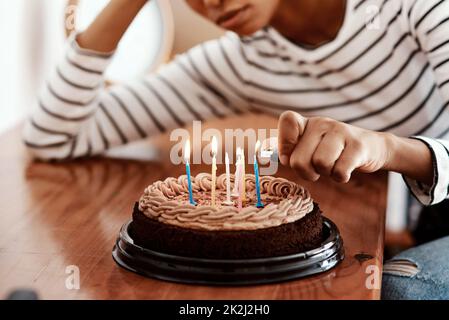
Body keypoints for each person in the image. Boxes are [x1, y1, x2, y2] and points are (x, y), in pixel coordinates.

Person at [23, 0, 449, 299]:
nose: (211, 2)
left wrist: (386, 148)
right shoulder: (238, 67)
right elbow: (53, 136)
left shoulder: (410, 6)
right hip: (424, 229)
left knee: (403, 290)